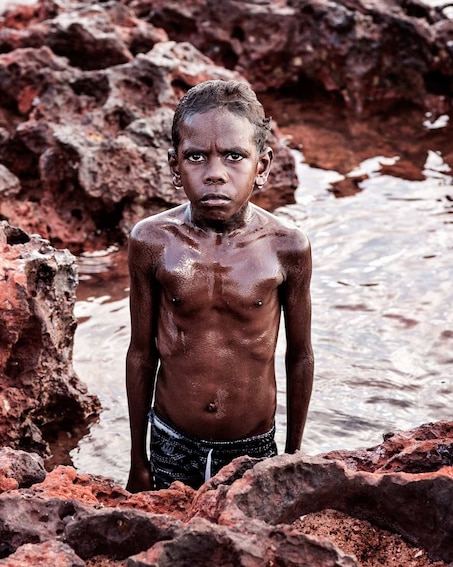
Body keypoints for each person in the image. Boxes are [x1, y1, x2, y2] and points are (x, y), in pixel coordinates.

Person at [125, 79, 314, 492]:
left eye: (234, 156)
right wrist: (137, 461)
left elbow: (299, 356)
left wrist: (293, 454)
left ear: (261, 166)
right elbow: (141, 354)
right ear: (175, 166)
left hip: (252, 445)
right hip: (172, 441)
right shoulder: (152, 242)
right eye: (196, 157)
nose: (214, 174)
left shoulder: (286, 247)